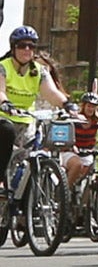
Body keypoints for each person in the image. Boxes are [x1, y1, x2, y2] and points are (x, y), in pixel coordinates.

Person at [2, 26, 64, 179]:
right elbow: (0, 90)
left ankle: (29, 194)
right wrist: (5, 103)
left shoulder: (39, 71)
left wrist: (67, 104)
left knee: (34, 150)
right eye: (22, 46)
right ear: (13, 48)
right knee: (6, 130)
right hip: (5, 117)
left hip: (27, 121)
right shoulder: (3, 67)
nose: (27, 49)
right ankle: (1, 180)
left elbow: (52, 93)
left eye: (31, 46)